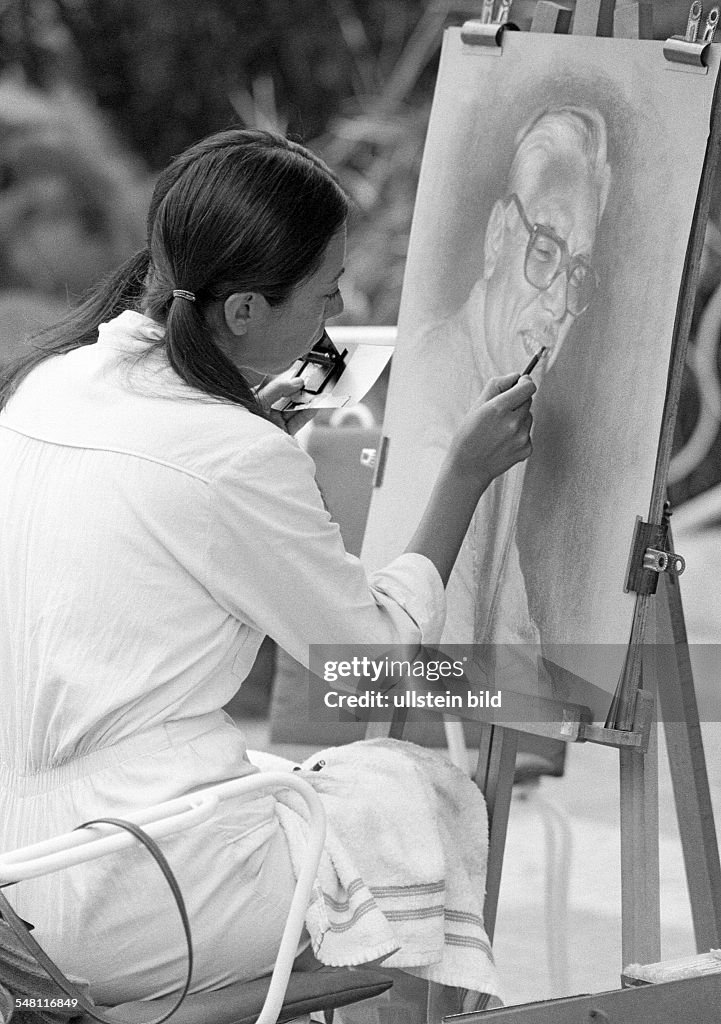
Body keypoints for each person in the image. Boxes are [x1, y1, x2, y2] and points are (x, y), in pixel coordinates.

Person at [0, 129, 534, 1009]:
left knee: (324, 790)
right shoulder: (231, 456)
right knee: (423, 797)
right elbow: (373, 666)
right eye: (324, 299)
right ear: (244, 311)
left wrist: (241, 421)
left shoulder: (50, 384)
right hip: (126, 894)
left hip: (19, 881)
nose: (332, 320)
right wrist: (463, 477)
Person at [404, 105, 611, 660]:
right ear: (498, 236)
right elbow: (425, 660)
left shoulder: (495, 407)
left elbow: (512, 644)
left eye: (578, 273)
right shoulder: (442, 410)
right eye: (545, 250)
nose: (556, 302)